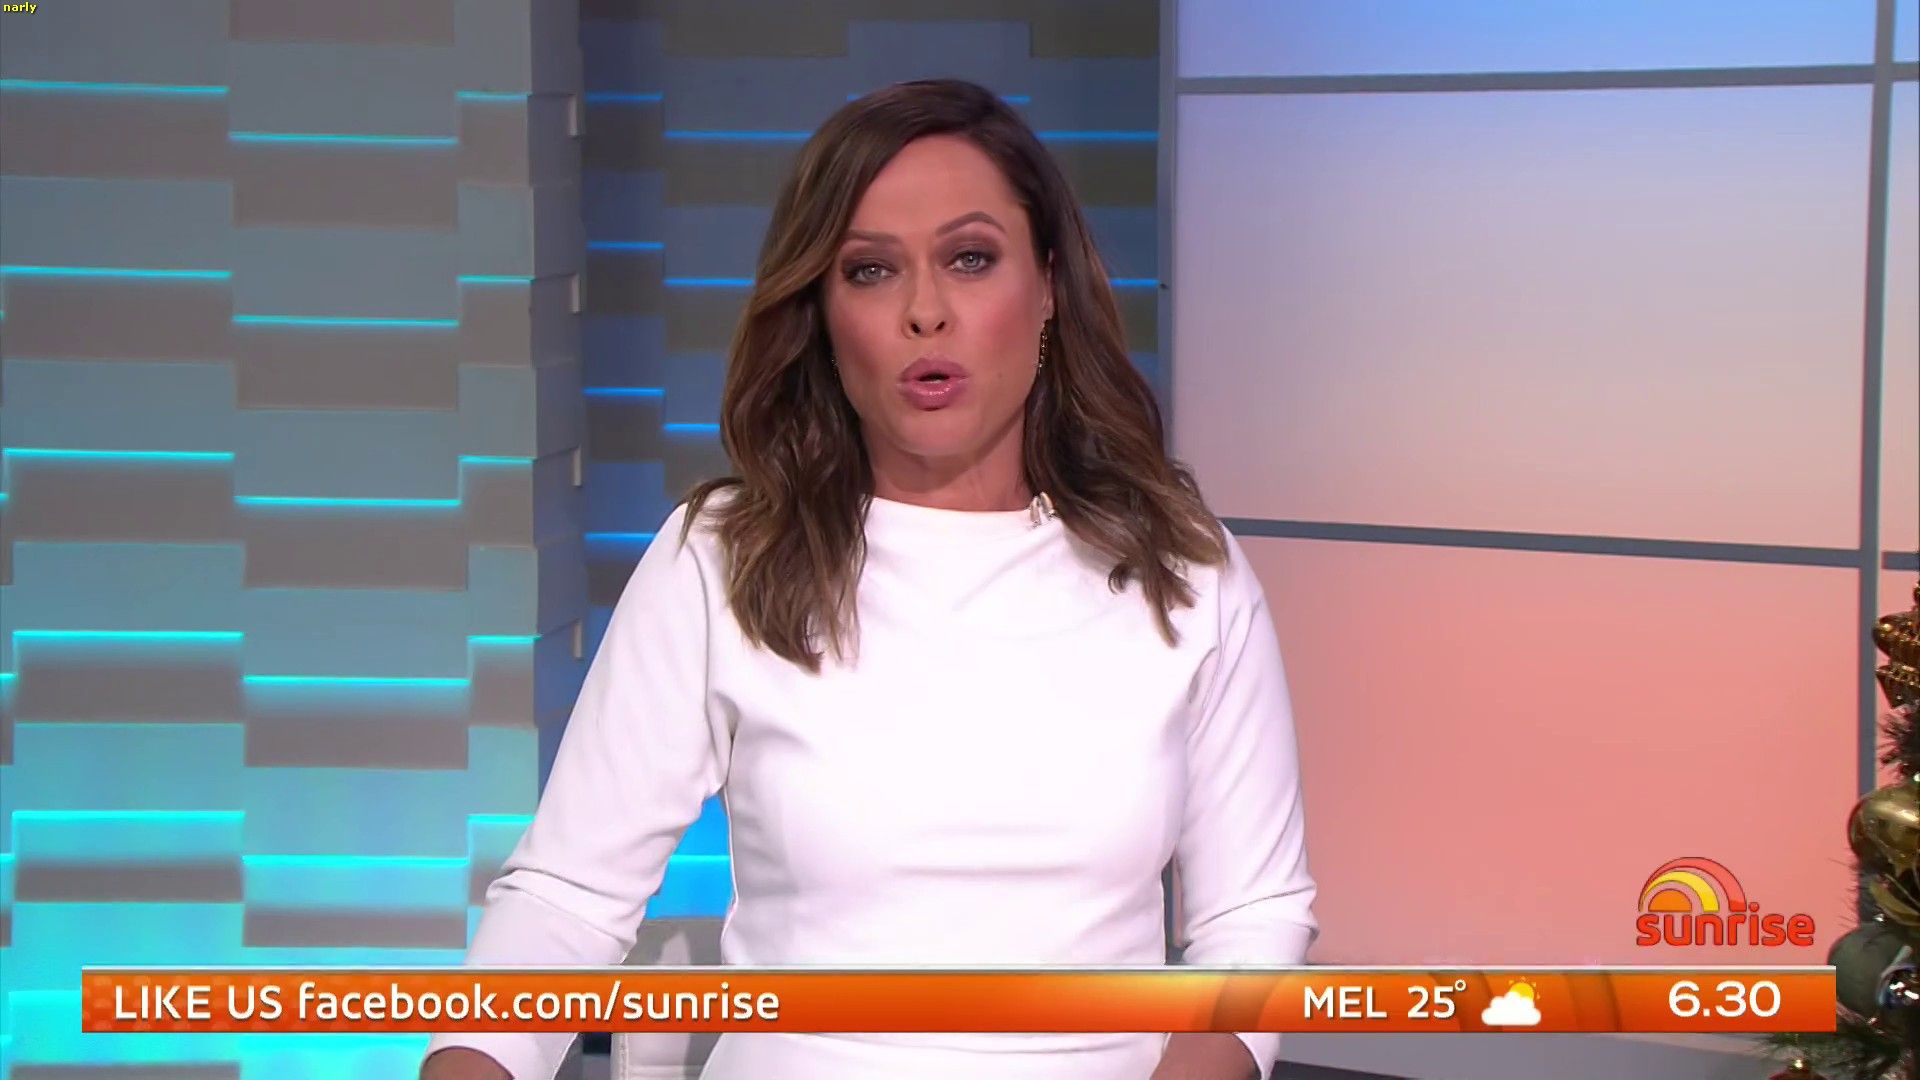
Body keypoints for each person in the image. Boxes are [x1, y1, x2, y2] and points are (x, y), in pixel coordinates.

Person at [422, 78, 1316, 1080]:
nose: (924, 312)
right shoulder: (725, 557)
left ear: (1049, 286)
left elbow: (1254, 918)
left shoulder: (1180, 568)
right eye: (871, 271)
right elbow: (567, 899)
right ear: (821, 309)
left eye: (970, 259)